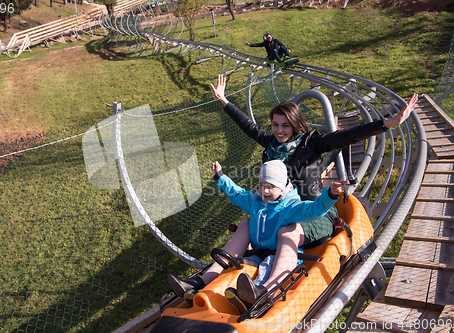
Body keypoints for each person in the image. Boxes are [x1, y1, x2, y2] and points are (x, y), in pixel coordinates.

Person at [169, 75, 418, 310]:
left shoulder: (312, 143)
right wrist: (224, 101)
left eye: (285, 125)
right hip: (279, 210)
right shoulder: (272, 145)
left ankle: (268, 288)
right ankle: (205, 279)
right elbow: (249, 126)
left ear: (295, 124)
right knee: (246, 223)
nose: (279, 131)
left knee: (287, 229)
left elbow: (345, 137)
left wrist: (387, 124)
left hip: (313, 212)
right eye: (276, 125)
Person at [169, 160, 348, 312]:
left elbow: (313, 211)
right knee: (244, 230)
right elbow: (236, 194)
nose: (265, 191)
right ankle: (201, 282)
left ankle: (265, 291)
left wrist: (331, 194)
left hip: (278, 256)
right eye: (262, 185)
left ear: (282, 187)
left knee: (267, 268)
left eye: (271, 187)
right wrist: (220, 177)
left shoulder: (289, 207)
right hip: (256, 252)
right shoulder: (256, 201)